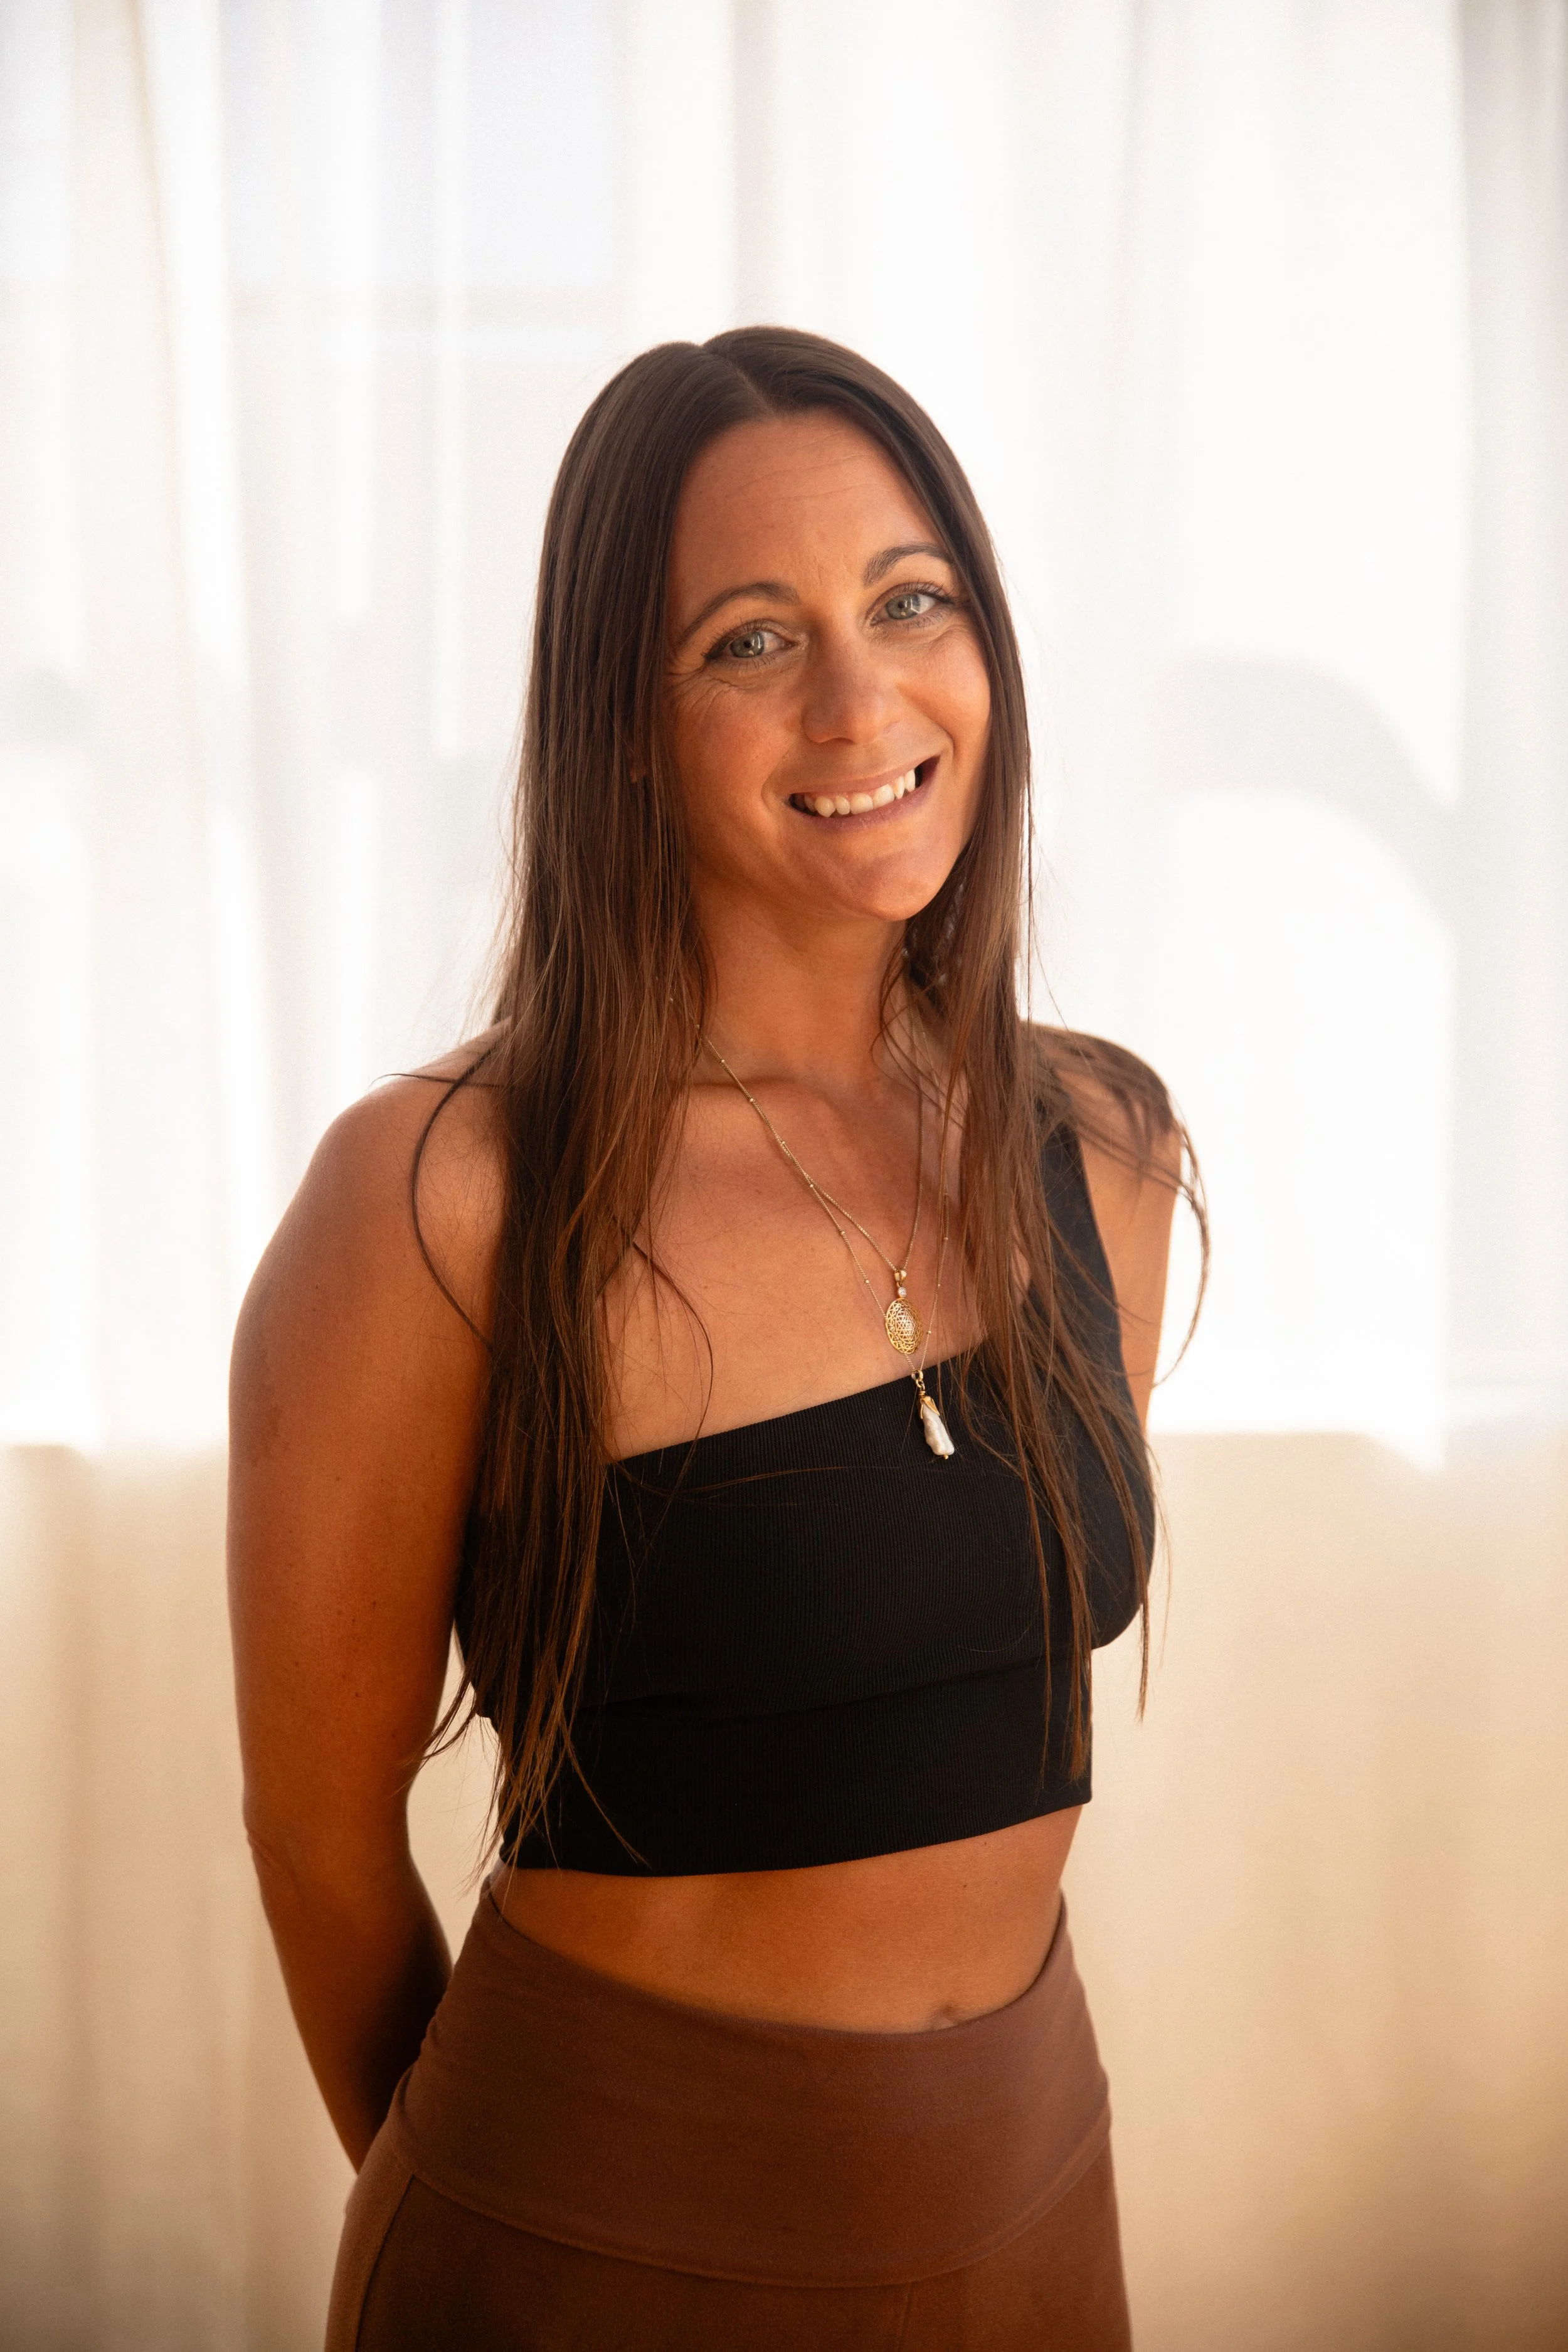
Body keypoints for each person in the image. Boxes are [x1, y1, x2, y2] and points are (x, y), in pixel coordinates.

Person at [228, 327, 1199, 2350]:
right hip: (602, 2229)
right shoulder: (447, 1196)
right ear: (623, 717)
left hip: (1033, 2198)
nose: (863, 700)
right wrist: (533, 2196)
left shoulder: (1093, 1145)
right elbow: (318, 1837)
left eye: (909, 601)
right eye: (751, 640)